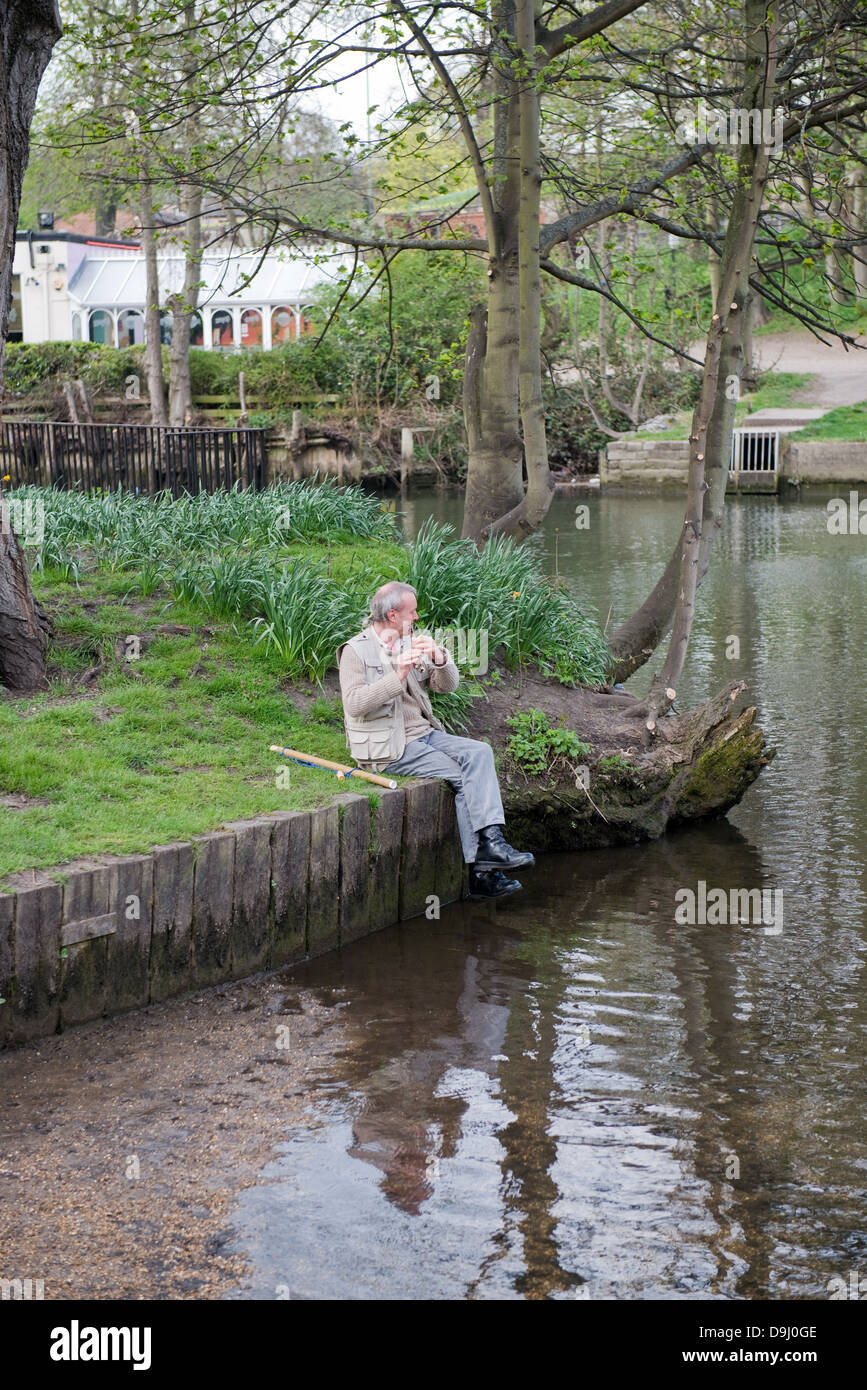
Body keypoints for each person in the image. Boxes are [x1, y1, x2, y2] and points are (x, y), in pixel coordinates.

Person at [337, 580, 535, 901]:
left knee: (480, 752)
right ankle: (481, 873)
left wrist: (441, 659)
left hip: (426, 735)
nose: (416, 618)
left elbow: (446, 686)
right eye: (411, 612)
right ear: (391, 615)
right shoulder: (355, 652)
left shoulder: (406, 641)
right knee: (461, 775)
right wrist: (397, 676)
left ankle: (493, 845)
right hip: (388, 746)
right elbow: (355, 704)